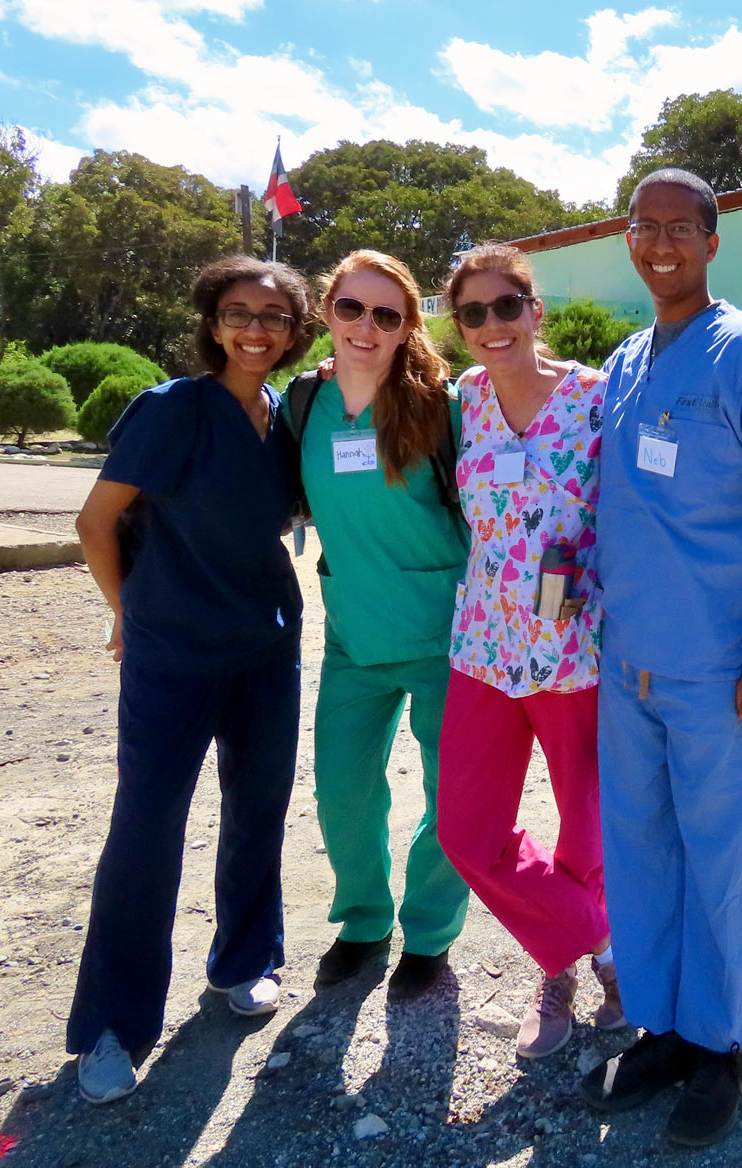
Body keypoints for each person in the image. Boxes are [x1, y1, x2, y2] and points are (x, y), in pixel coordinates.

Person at [581, 169, 742, 1146]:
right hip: (628, 667)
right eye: (644, 228)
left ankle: (720, 1049)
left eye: (679, 228)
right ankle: (664, 1028)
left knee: (723, 864)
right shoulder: (624, 361)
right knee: (643, 856)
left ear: (711, 241)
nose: (659, 245)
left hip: (723, 675)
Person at [67, 255, 315, 1104]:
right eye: (240, 313)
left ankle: (244, 962)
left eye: (275, 317)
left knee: (258, 812)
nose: (256, 330)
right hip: (173, 654)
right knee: (148, 826)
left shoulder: (286, 416)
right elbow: (96, 520)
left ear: (294, 331)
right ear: (213, 322)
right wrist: (125, 610)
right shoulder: (174, 408)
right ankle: (113, 1024)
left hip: (267, 649)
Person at [436, 244, 622, 1059]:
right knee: (465, 832)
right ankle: (600, 946)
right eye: (471, 313)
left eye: (504, 306)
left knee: (587, 831)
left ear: (534, 310)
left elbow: (635, 511)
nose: (490, 325)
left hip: (573, 652)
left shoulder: (594, 397)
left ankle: (558, 973)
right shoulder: (464, 400)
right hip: (482, 649)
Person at [285, 249, 471, 1002]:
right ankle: (364, 921)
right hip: (353, 636)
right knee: (342, 790)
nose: (366, 326)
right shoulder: (301, 403)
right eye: (352, 308)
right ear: (327, 312)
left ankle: (430, 934)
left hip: (446, 635)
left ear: (405, 329)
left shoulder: (443, 406)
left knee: (451, 794)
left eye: (386, 315)